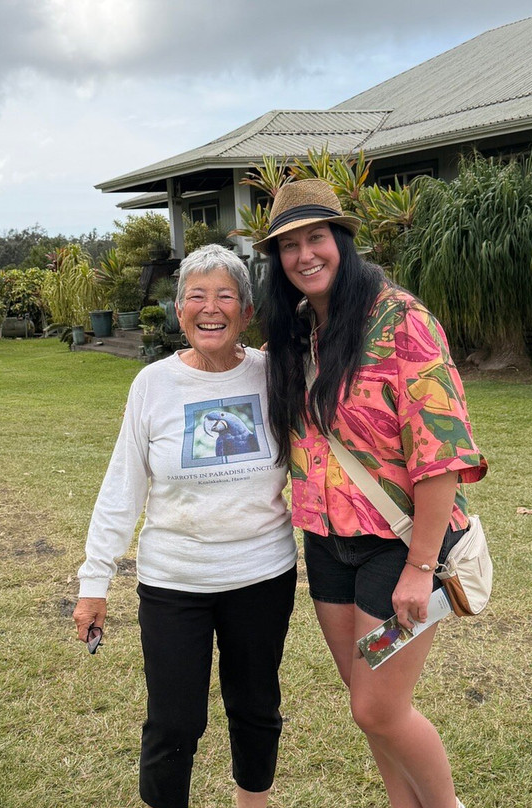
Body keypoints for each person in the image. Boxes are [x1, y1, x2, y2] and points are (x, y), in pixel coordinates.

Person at [256, 179, 487, 808]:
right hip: (329, 546)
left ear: (342, 240)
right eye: (289, 245)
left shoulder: (401, 321)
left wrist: (419, 570)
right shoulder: (299, 331)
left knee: (378, 708)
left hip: (399, 546)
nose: (305, 255)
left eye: (317, 237)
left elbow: (441, 456)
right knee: (369, 707)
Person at [73, 244, 297, 808]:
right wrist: (94, 579)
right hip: (175, 582)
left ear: (246, 312)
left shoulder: (276, 375)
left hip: (262, 575)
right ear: (179, 313)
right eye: (196, 296)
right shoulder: (153, 384)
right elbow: (124, 486)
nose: (210, 308)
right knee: (173, 722)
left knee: (255, 707)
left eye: (225, 295)